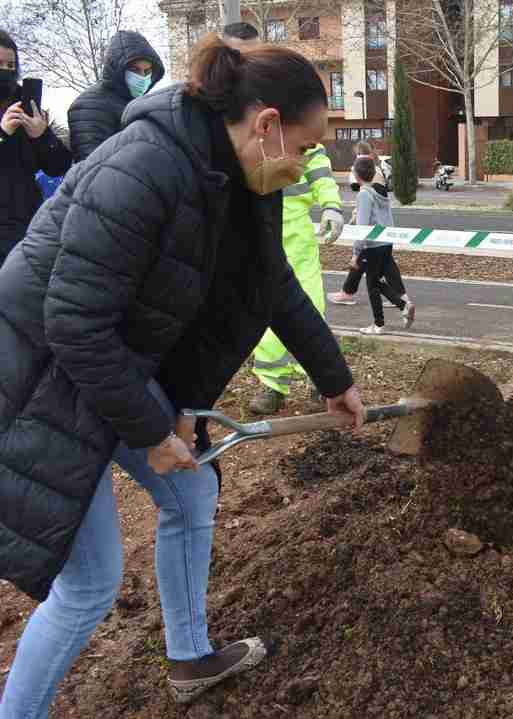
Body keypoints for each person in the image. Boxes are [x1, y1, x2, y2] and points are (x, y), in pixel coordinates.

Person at [0, 36, 365, 716]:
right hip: (35, 380)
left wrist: (332, 374)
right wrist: (150, 424)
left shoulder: (241, 176)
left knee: (192, 493)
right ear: (265, 125)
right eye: (308, 147)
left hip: (104, 369)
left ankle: (190, 656)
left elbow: (271, 284)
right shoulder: (147, 166)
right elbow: (73, 322)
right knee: (89, 582)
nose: (312, 164)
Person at [248, 141, 347, 414]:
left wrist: (331, 205)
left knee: (311, 307)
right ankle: (273, 385)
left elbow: (319, 171)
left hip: (297, 236)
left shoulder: (299, 130)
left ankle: (320, 379)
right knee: (265, 315)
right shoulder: (248, 130)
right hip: (260, 235)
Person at [0, 30, 73, 263]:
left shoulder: (25, 104)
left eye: (11, 65)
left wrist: (41, 135)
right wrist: (2, 133)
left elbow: (58, 166)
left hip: (27, 223)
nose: (6, 71)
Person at [67, 30, 164, 163]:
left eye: (147, 71)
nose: (142, 77)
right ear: (117, 67)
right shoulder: (89, 105)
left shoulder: (139, 103)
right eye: (135, 70)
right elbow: (92, 167)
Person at [349, 156, 415, 335]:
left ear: (356, 175)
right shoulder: (380, 192)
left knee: (372, 286)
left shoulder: (364, 194)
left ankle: (379, 324)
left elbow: (362, 228)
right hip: (386, 242)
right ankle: (402, 305)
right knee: (376, 282)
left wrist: (355, 253)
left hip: (373, 245)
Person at [327, 140, 385, 306]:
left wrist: (357, 216)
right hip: (378, 225)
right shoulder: (375, 169)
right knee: (383, 263)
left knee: (363, 257)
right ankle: (398, 296)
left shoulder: (366, 171)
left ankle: (348, 292)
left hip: (373, 226)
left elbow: (368, 198)